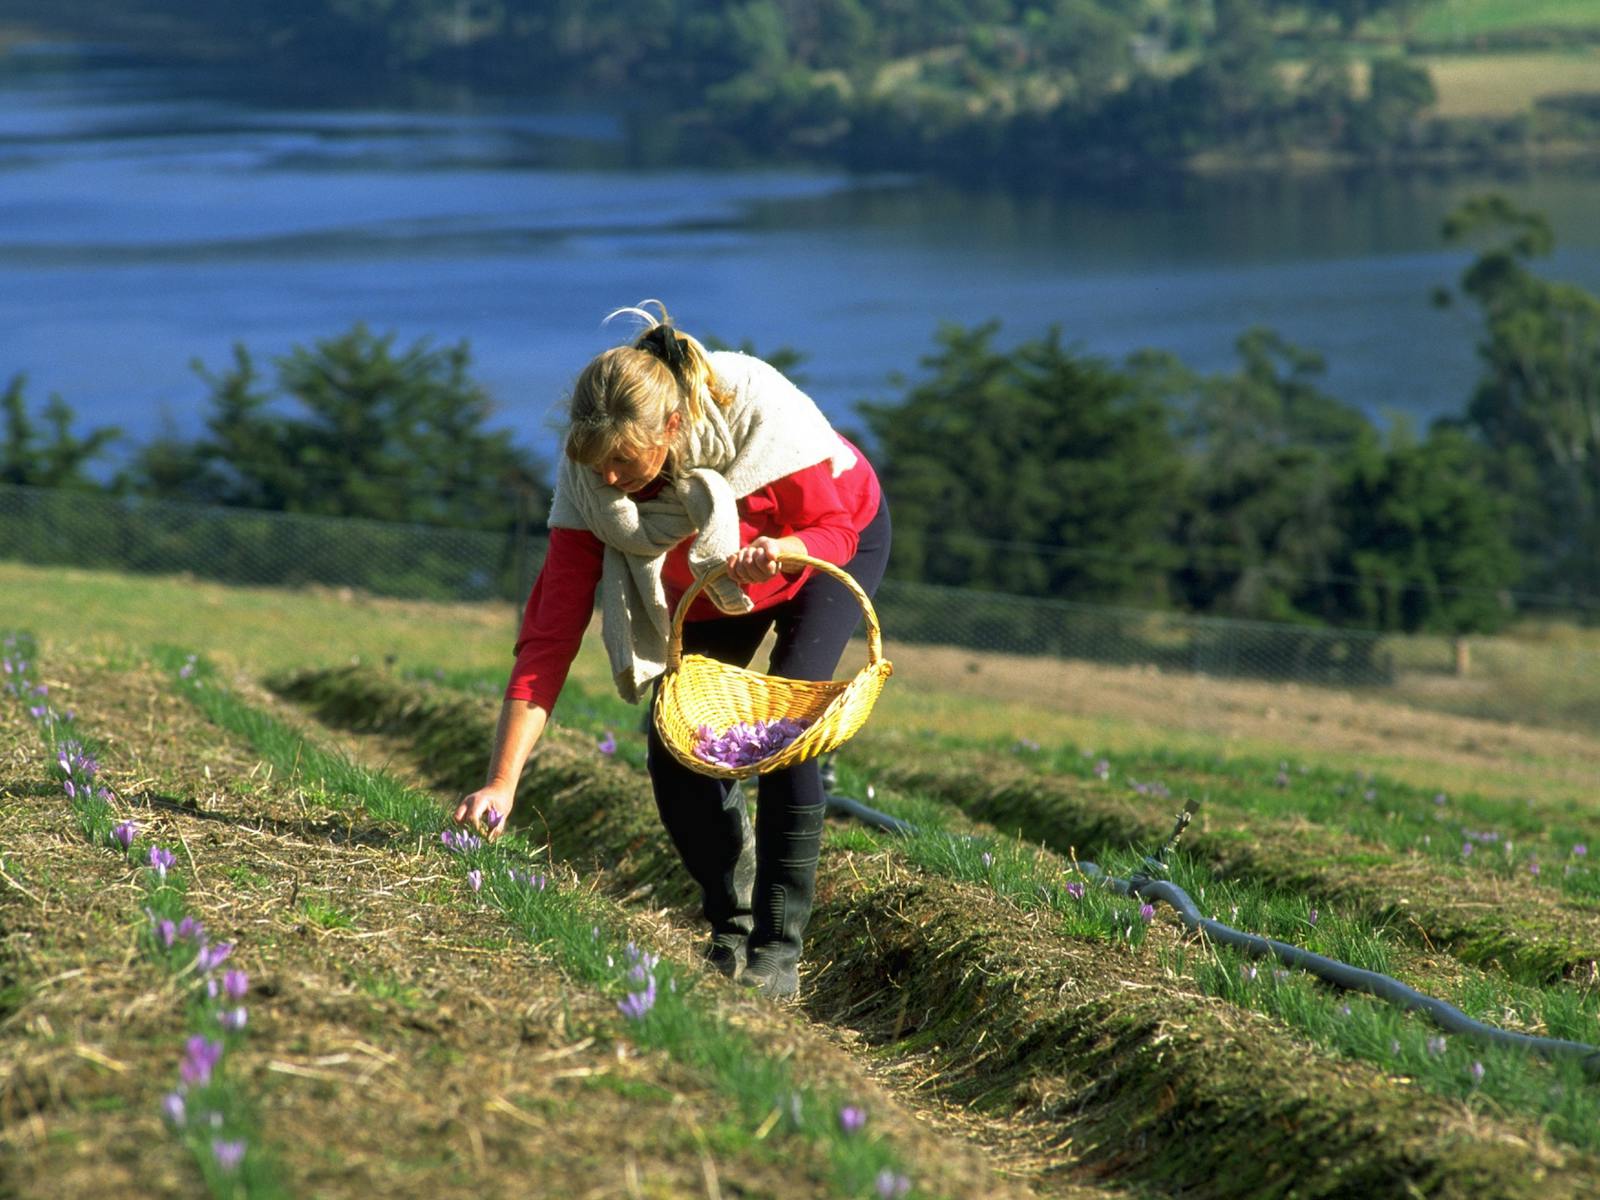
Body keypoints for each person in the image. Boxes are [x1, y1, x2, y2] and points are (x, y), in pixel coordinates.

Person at [454, 302, 890, 999]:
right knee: (675, 737)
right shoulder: (588, 484)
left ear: (675, 429)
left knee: (789, 722)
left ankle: (780, 946)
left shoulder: (758, 416)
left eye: (625, 462)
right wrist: (502, 782)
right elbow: (550, 637)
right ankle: (731, 921)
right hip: (718, 577)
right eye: (597, 466)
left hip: (826, 543)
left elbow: (832, 527)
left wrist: (784, 551)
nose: (611, 481)